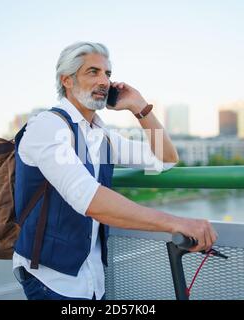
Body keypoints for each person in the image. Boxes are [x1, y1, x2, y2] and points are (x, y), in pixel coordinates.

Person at [12, 41, 217, 300]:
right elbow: (87, 197)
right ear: (67, 80)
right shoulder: (48, 127)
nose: (104, 81)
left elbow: (165, 159)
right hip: (51, 281)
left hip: (92, 279)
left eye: (107, 74)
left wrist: (139, 107)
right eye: (93, 72)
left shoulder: (101, 136)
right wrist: (176, 222)